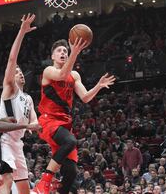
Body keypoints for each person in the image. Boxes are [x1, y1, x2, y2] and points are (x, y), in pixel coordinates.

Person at [33, 37, 115, 194]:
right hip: (48, 121)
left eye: (65, 50)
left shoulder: (75, 75)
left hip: (64, 124)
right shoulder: (48, 71)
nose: (63, 52)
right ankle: (45, 180)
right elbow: (62, 75)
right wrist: (75, 52)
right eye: (59, 51)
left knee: (71, 173)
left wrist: (98, 86)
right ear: (52, 56)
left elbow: (85, 98)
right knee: (71, 141)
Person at [0, 13, 38, 194]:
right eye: (16, 71)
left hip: (18, 143)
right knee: (7, 180)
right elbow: (12, 59)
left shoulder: (28, 98)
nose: (19, 73)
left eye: (21, 71)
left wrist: (34, 125)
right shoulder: (10, 88)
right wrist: (21, 32)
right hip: (4, 138)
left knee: (23, 189)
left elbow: (35, 121)